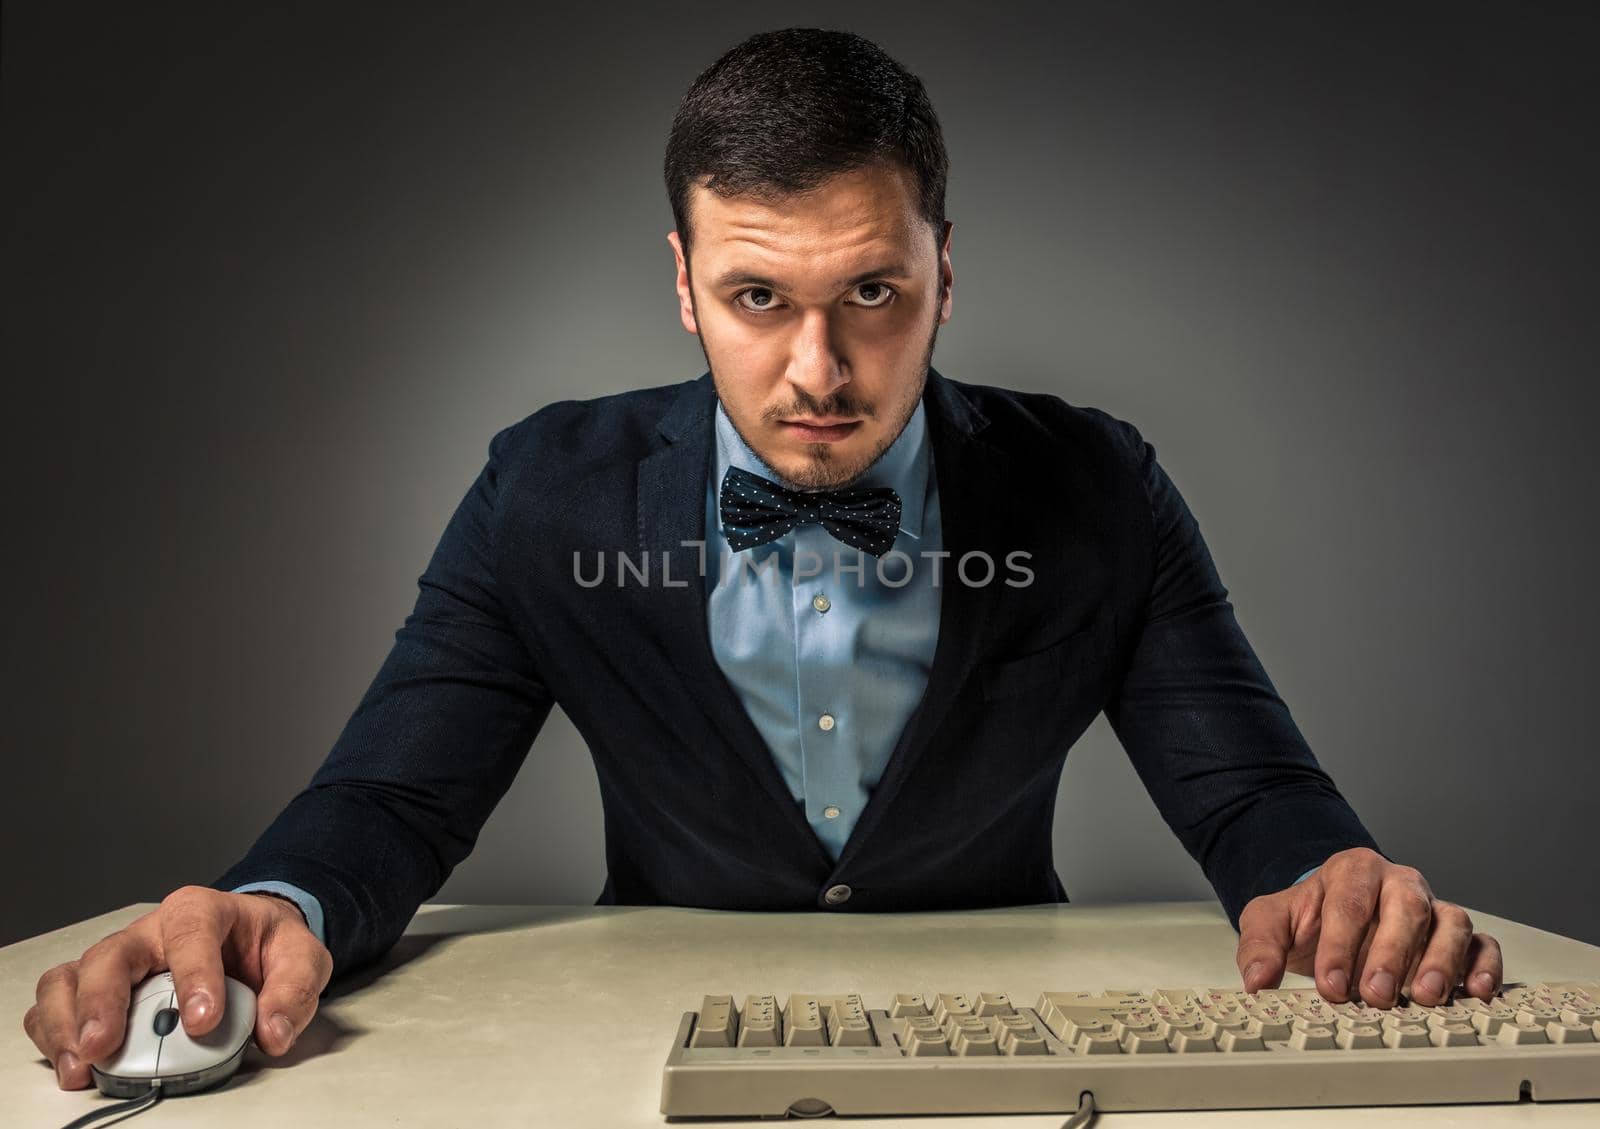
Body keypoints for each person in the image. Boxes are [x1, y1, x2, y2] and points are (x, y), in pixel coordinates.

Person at [25, 27, 1502, 1091]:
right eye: (753, 294)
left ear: (944, 276)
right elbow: (394, 798)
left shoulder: (1098, 486)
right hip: (642, 1057)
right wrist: (271, 909)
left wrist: (1330, 884)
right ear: (680, 283)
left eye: (874, 290)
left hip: (1009, 1066)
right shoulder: (544, 489)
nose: (819, 366)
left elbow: (1253, 798)